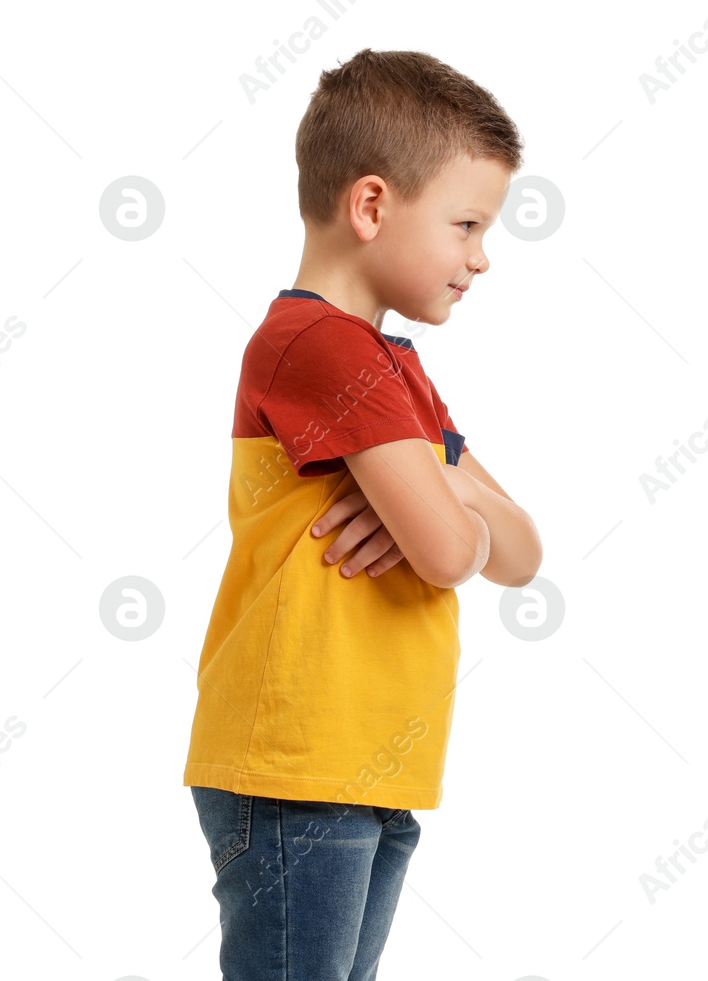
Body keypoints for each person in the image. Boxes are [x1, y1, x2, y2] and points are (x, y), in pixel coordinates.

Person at [183, 48, 543, 980]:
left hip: (362, 764)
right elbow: (456, 554)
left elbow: (522, 550)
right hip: (297, 767)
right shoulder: (322, 347)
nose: (481, 255)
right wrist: (444, 499)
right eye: (465, 224)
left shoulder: (393, 367)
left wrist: (440, 490)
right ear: (373, 206)